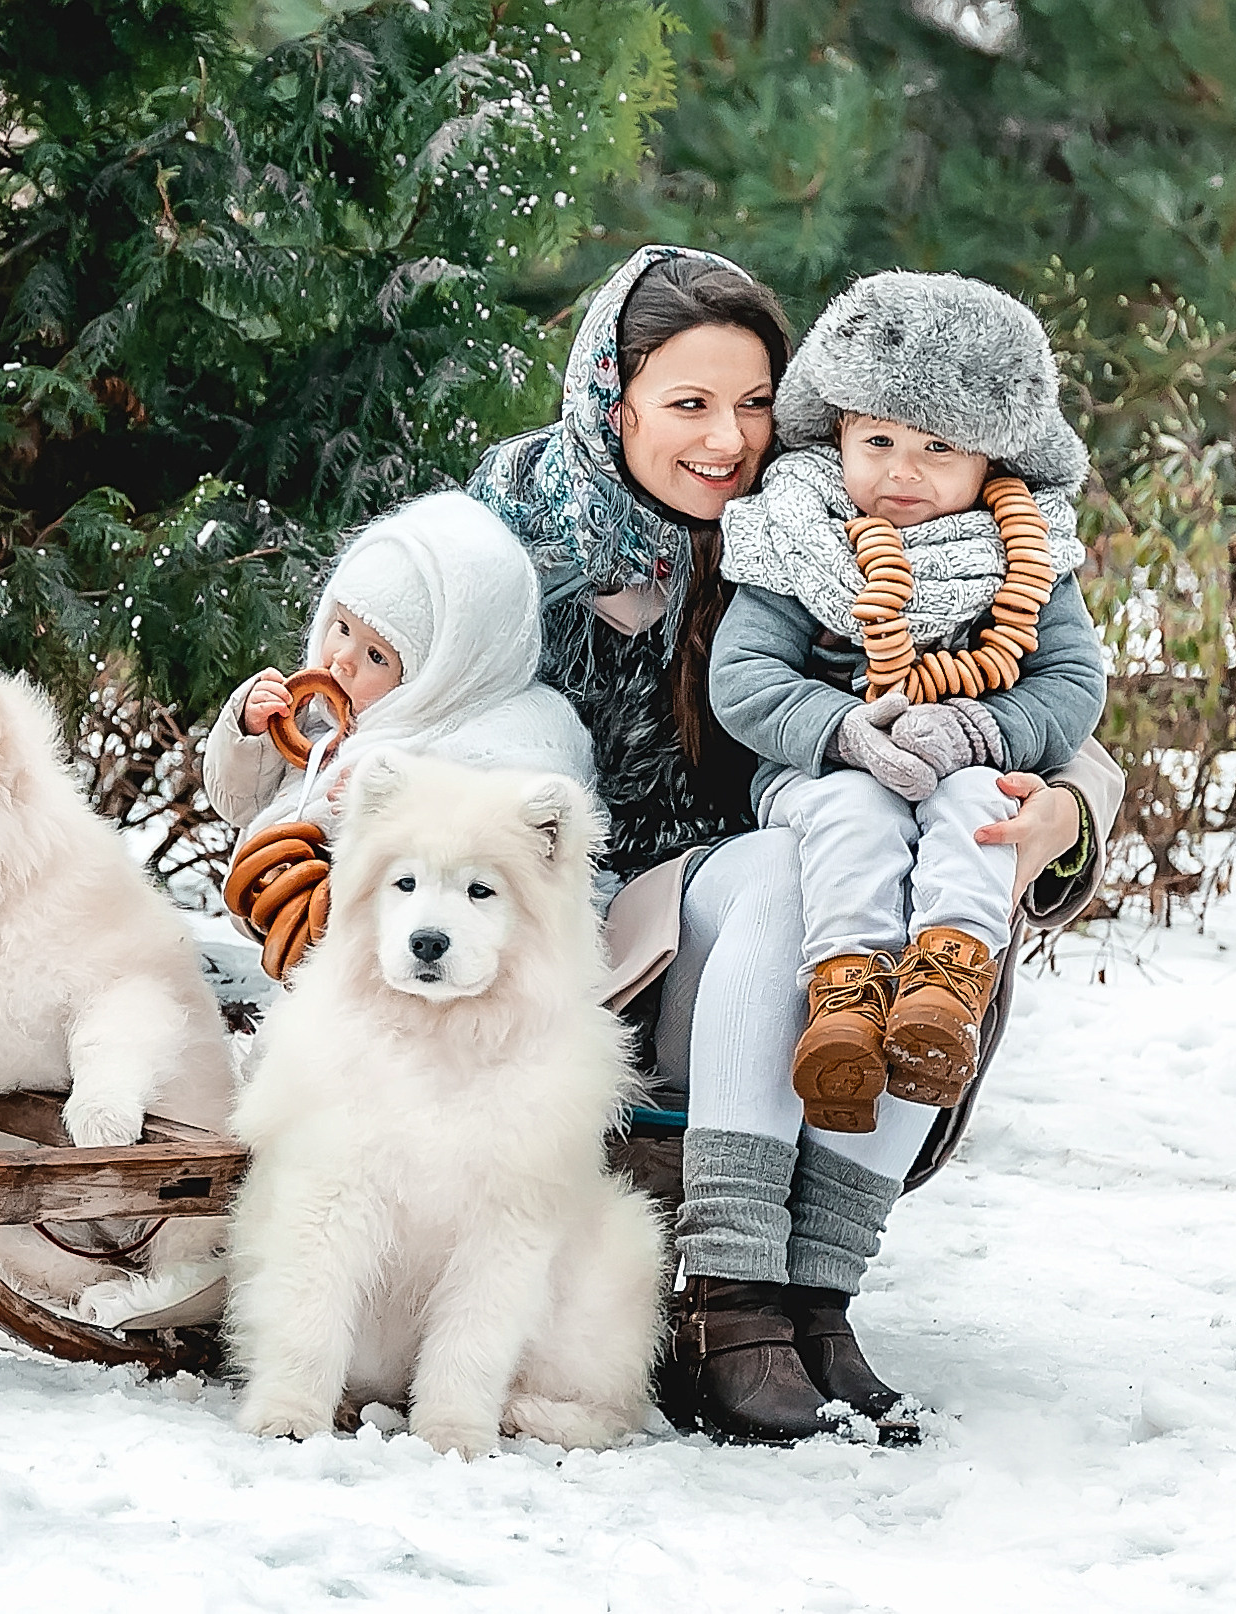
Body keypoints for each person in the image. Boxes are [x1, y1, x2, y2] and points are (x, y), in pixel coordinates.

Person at [468, 245, 1124, 1446]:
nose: (728, 439)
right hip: (600, 939)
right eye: (688, 405)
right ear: (611, 400)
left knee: (871, 870)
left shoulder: (836, 519)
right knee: (796, 863)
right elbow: (378, 696)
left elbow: (1067, 703)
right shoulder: (515, 542)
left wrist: (1065, 811)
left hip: (799, 911)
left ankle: (812, 1301)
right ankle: (732, 1304)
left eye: (756, 404)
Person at [713, 271, 1106, 1132]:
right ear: (837, 431)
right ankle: (845, 996)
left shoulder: (1028, 550)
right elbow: (742, 677)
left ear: (991, 460)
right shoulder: (797, 535)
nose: (902, 473)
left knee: (982, 811)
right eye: (880, 441)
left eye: (938, 451)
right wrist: (840, 729)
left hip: (966, 756)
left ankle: (946, 983)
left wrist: (981, 728)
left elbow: (1072, 681)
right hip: (823, 769)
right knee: (853, 816)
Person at [202, 490, 593, 861]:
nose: (343, 660)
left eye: (377, 655)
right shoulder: (311, 720)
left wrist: (392, 804)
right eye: (341, 628)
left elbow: (483, 846)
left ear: (436, 676)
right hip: (268, 907)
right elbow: (237, 804)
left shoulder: (470, 749)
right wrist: (249, 734)